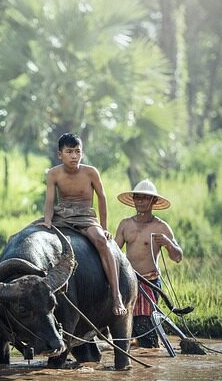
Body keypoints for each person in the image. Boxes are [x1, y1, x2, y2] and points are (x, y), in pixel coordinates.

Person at [38, 133, 127, 316]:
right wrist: (47, 220)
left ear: (82, 153)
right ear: (60, 154)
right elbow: (49, 201)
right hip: (61, 215)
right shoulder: (53, 173)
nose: (74, 156)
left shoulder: (90, 172)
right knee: (27, 234)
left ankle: (116, 295)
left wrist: (104, 227)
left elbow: (102, 198)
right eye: (69, 152)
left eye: (77, 152)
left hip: (85, 216)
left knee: (102, 242)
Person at [114, 179, 183, 348]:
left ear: (153, 201)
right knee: (124, 326)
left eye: (145, 198)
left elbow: (178, 257)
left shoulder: (161, 227)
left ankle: (151, 350)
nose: (140, 201)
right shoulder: (125, 225)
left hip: (149, 282)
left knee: (144, 325)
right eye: (138, 198)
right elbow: (114, 252)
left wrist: (168, 243)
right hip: (128, 282)